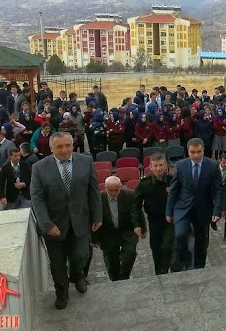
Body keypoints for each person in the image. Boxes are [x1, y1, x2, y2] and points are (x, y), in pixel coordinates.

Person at [30, 132, 103, 310]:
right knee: (57, 262)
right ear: (51, 148)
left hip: (81, 220)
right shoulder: (39, 168)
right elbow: (37, 199)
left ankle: (77, 274)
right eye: (60, 147)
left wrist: (97, 216)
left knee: (81, 254)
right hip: (54, 225)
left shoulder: (85, 161)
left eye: (67, 146)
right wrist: (46, 224)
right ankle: (61, 291)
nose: (64, 150)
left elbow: (93, 191)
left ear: (73, 145)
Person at [166, 137, 222, 271]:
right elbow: (173, 190)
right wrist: (168, 211)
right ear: (188, 151)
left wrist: (217, 211)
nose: (196, 155)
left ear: (203, 150)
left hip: (203, 208)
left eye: (199, 152)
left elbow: (218, 190)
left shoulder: (213, 166)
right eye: (192, 152)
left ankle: (199, 265)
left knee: (201, 241)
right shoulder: (180, 165)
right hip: (183, 207)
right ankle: (184, 261)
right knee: (180, 234)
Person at [132, 153, 175, 275]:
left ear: (166, 166)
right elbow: (135, 204)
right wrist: (137, 224)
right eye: (155, 166)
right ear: (150, 167)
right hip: (153, 220)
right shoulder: (144, 184)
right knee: (156, 248)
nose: (158, 168)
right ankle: (159, 273)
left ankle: (165, 270)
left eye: (161, 165)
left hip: (170, 220)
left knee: (167, 246)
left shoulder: (173, 181)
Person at [92, 176, 142, 282]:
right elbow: (94, 220)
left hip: (127, 231)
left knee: (130, 253)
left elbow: (137, 213)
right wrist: (94, 238)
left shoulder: (130, 195)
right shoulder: (98, 199)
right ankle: (114, 280)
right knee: (111, 260)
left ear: (121, 186)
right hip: (108, 233)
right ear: (105, 188)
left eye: (116, 190)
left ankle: (124, 277)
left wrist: (142, 228)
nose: (114, 193)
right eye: (110, 190)